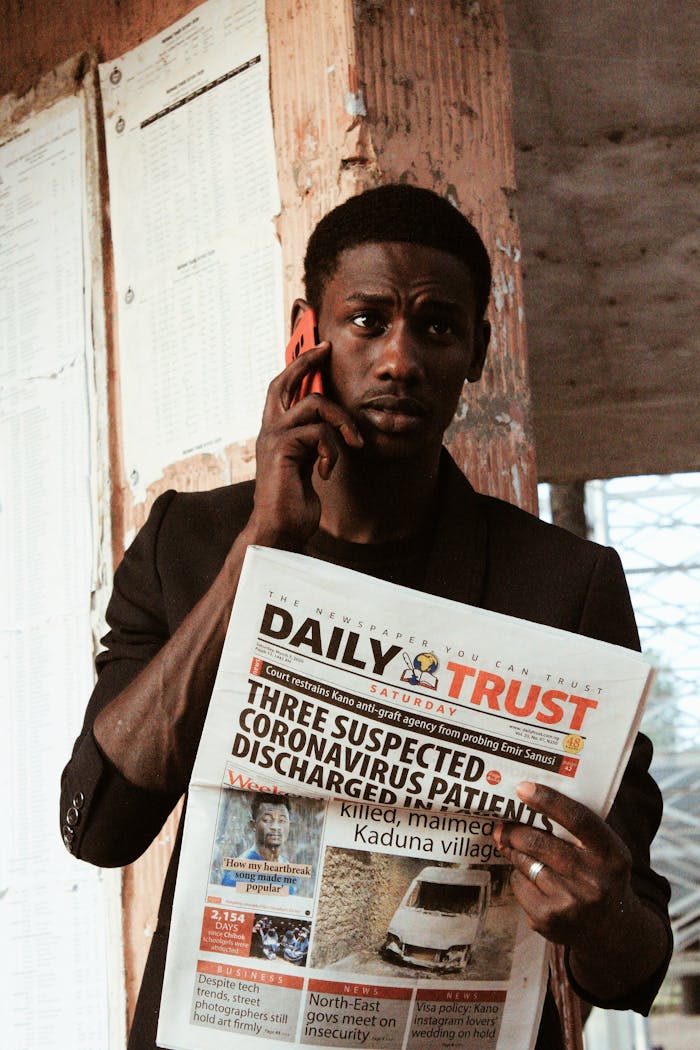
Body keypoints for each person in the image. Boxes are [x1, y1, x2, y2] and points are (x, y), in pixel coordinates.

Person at [60, 184, 671, 1049]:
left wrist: (602, 916)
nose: (400, 359)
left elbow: (636, 963)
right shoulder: (188, 543)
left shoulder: (564, 585)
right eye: (367, 321)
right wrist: (258, 554)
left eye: (436, 326)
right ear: (307, 336)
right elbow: (100, 828)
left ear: (476, 351)